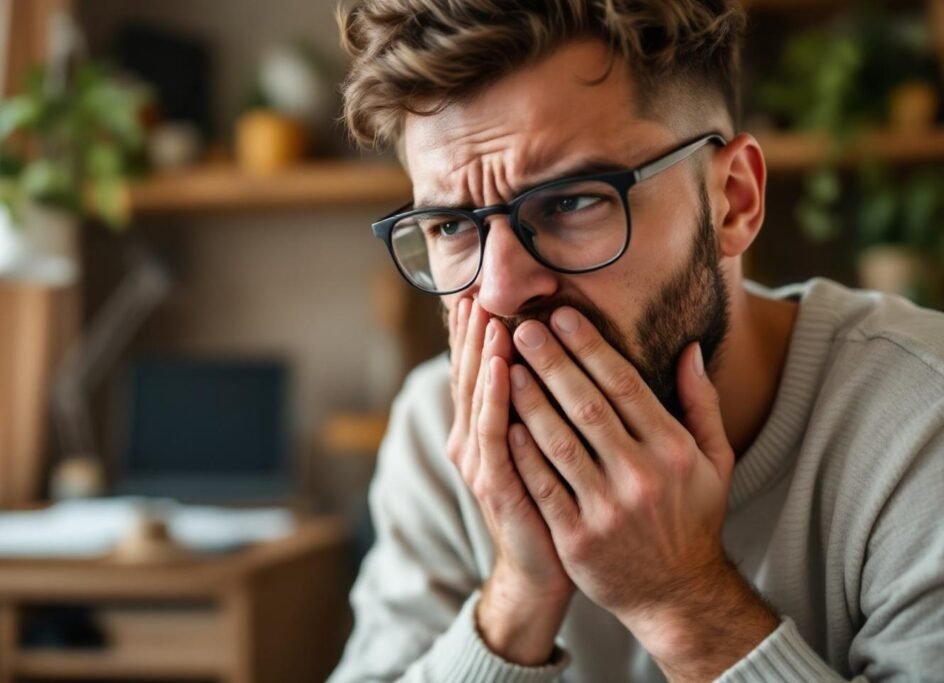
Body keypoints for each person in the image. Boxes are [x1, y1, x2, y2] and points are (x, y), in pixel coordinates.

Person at [329, 1, 944, 680]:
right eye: (450, 226)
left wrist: (680, 596)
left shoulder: (922, 417)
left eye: (570, 201)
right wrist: (517, 599)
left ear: (734, 200)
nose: (500, 290)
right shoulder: (439, 426)